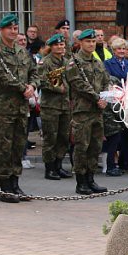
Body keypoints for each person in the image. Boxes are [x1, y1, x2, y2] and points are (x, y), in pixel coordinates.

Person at [0, 14, 39, 203]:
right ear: (2, 30)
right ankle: (5, 187)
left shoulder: (22, 52)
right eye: (9, 29)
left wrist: (33, 86)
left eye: (15, 28)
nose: (13, 31)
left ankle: (15, 184)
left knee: (18, 146)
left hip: (21, 108)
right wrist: (23, 88)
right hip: (2, 108)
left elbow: (34, 71)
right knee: (3, 147)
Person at [65, 29, 110, 195]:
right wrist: (96, 97)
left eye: (93, 42)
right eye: (88, 42)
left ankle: (91, 179)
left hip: (97, 111)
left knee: (95, 146)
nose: (91, 44)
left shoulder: (98, 62)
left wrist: (105, 96)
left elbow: (106, 80)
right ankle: (81, 181)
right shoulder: (74, 62)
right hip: (82, 111)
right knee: (81, 147)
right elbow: (78, 84)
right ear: (81, 43)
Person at [39, 33, 73, 180]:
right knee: (50, 137)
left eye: (62, 44)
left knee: (63, 137)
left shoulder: (66, 62)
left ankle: (58, 165)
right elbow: (42, 81)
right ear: (51, 47)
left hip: (65, 105)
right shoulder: (45, 62)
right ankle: (50, 168)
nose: (60, 47)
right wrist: (59, 88)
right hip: (51, 106)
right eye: (57, 45)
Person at [103, 36, 128, 175]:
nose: (122, 51)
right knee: (115, 135)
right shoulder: (107, 64)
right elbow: (108, 80)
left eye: (124, 49)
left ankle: (127, 163)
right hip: (114, 101)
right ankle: (111, 164)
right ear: (113, 50)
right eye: (119, 49)